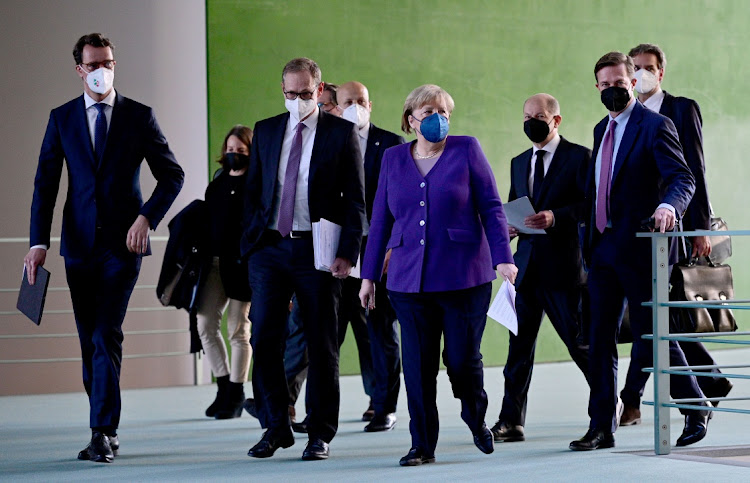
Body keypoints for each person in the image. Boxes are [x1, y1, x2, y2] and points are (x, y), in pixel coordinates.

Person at [24, 33, 184, 463]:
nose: (102, 71)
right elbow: (46, 183)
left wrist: (146, 217)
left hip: (123, 246)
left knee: (104, 333)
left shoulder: (139, 116)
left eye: (108, 63)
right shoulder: (62, 118)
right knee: (87, 339)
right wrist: (38, 242)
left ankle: (101, 430)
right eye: (94, 65)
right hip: (77, 247)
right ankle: (104, 426)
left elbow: (173, 175)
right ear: (80, 69)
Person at [359, 84, 517, 466]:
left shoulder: (466, 149)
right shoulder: (394, 158)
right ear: (410, 118)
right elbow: (380, 218)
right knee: (417, 366)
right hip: (407, 280)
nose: (438, 118)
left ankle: (474, 415)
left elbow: (492, 207)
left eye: (444, 111)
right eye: (429, 111)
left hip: (465, 275)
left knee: (462, 361)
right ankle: (422, 444)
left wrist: (503, 258)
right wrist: (368, 276)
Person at [570, 51, 708, 452]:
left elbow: (683, 177)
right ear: (597, 87)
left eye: (619, 82)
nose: (613, 89)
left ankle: (694, 403)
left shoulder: (656, 125)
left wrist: (669, 206)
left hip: (642, 247)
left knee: (653, 331)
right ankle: (600, 427)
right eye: (605, 84)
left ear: (633, 82)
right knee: (599, 339)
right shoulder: (601, 128)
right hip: (602, 249)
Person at [241, 57, 365, 461]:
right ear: (282, 91)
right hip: (270, 249)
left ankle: (320, 432)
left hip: (319, 251)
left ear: (320, 88)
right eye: (290, 94)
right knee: (263, 339)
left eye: (306, 94)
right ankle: (275, 426)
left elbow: (356, 202)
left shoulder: (340, 133)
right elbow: (255, 192)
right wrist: (252, 245)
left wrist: (348, 253)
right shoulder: (266, 130)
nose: (298, 100)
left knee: (321, 343)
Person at [618, 43, 733, 427]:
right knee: (657, 316)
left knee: (653, 315)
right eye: (635, 67)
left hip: (674, 227)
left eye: (648, 67)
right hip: (634, 231)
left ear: (661, 72)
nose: (641, 73)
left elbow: (694, 171)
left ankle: (633, 398)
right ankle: (709, 384)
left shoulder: (682, 109)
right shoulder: (625, 116)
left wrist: (700, 227)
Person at [492, 93, 591, 443]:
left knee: (581, 346)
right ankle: (510, 421)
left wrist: (555, 217)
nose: (532, 121)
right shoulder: (519, 161)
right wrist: (510, 227)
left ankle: (607, 409)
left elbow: (591, 207)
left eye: (540, 116)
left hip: (565, 269)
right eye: (527, 116)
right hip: (526, 269)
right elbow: (513, 203)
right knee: (517, 350)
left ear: (556, 120)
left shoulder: (580, 157)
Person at [337, 80, 405, 432]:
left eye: (360, 100)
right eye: (348, 101)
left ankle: (384, 407)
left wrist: (393, 245)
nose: (355, 106)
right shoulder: (329, 140)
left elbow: (403, 203)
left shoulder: (392, 144)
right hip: (337, 255)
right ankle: (317, 412)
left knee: (380, 333)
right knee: (328, 333)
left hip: (379, 253)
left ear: (370, 104)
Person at [197, 125, 253, 420]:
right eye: (230, 150)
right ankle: (223, 386)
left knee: (237, 330)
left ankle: (237, 389)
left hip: (243, 266)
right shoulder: (217, 182)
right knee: (205, 323)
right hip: (214, 264)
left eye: (240, 151)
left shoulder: (257, 183)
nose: (233, 155)